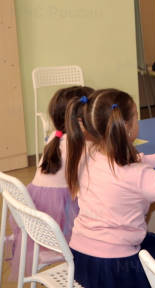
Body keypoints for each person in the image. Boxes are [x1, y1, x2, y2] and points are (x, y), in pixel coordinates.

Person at [65, 88, 155, 287]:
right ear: (127, 128)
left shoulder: (88, 156)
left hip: (80, 260)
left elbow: (118, 166)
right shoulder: (137, 175)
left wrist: (153, 159)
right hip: (116, 271)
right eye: (136, 118)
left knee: (153, 241)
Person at [7, 85, 93, 281]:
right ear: (81, 121)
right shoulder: (81, 145)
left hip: (38, 209)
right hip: (57, 217)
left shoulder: (55, 138)